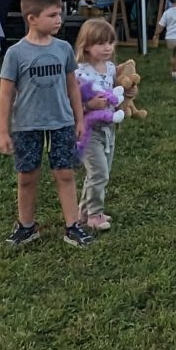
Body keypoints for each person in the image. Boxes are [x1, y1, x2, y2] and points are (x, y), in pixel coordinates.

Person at [0, 0, 92, 248]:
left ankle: (73, 226)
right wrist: (4, 132)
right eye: (52, 15)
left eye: (59, 14)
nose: (59, 20)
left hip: (61, 122)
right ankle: (26, 226)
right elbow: (5, 95)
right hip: (27, 125)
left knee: (65, 175)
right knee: (27, 177)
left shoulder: (63, 49)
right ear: (32, 19)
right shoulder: (15, 54)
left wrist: (79, 120)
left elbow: (72, 86)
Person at [72, 17, 125, 232]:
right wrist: (89, 105)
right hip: (88, 131)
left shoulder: (111, 68)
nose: (107, 48)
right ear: (86, 45)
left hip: (108, 129)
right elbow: (72, 102)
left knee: (102, 171)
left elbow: (116, 92)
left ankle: (84, 212)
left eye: (110, 43)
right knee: (99, 172)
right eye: (101, 43)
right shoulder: (78, 72)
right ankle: (95, 214)